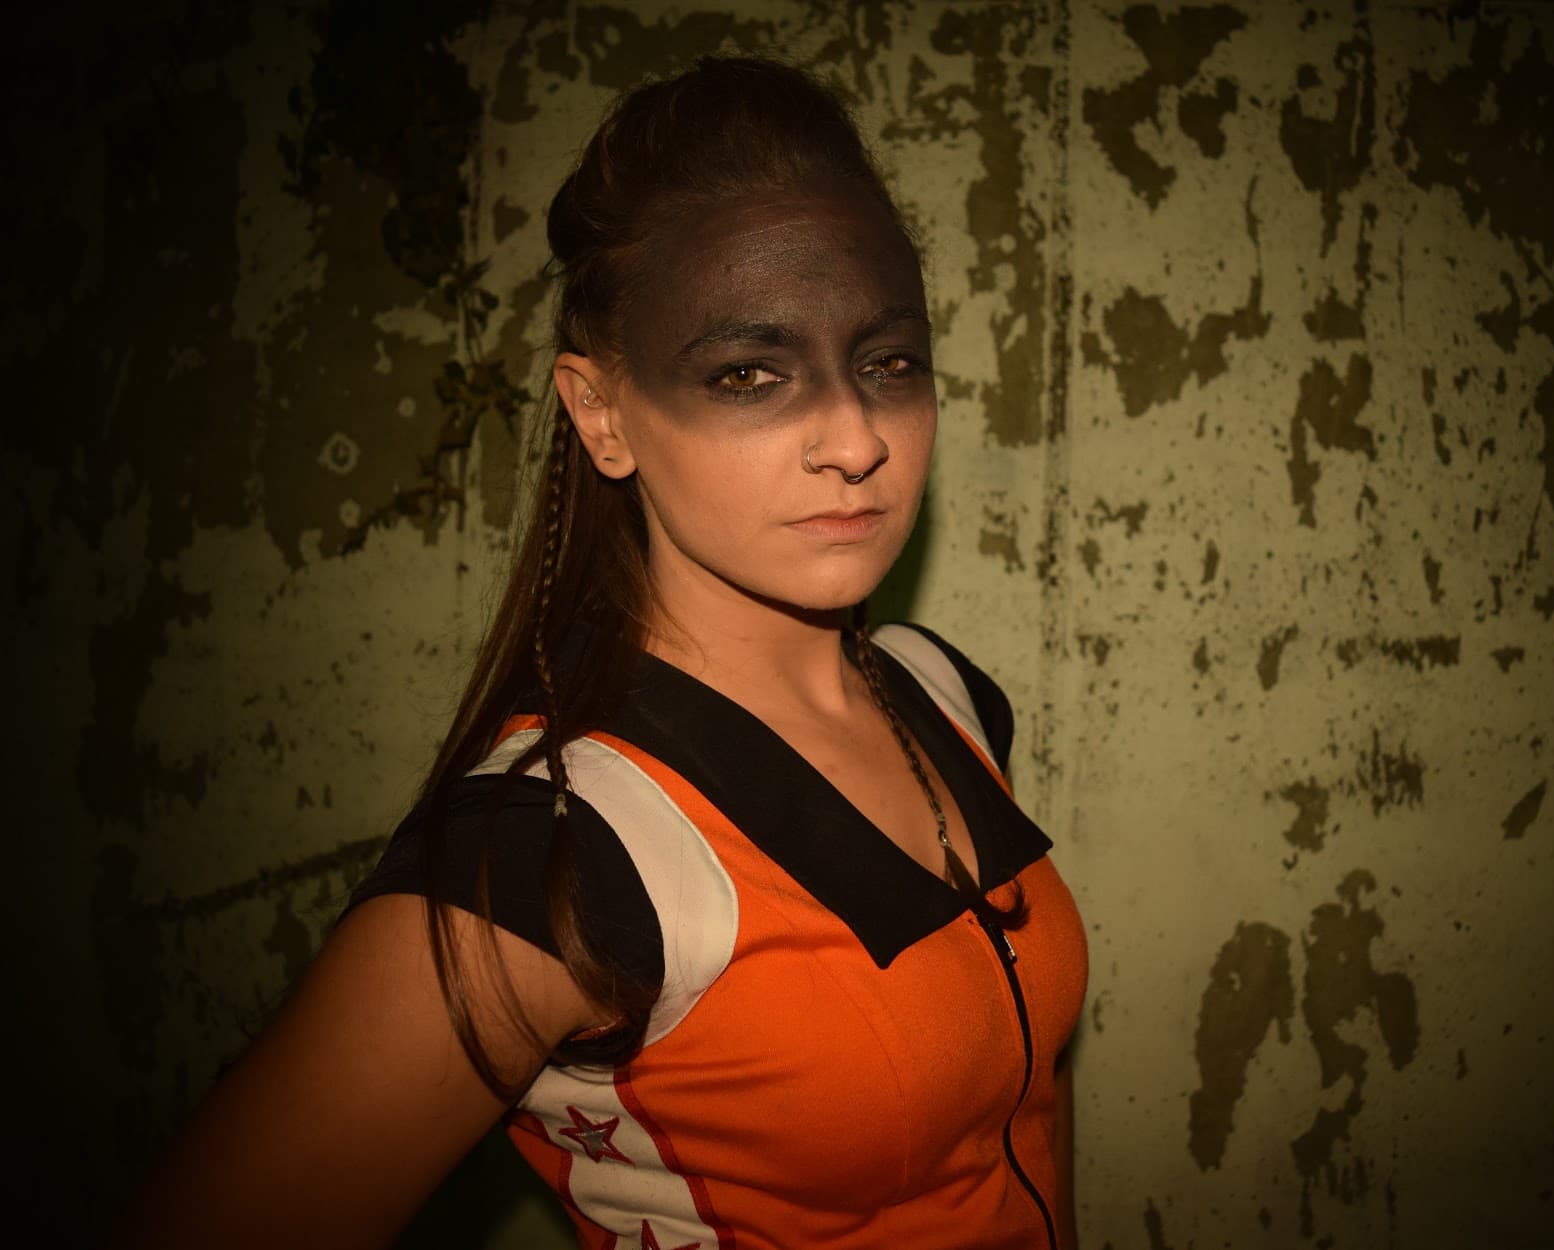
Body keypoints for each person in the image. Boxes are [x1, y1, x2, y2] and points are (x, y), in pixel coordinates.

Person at [114, 56, 1087, 1250]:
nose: (853, 435)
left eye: (888, 361)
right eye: (748, 373)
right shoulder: (564, 841)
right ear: (602, 413)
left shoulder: (943, 690)